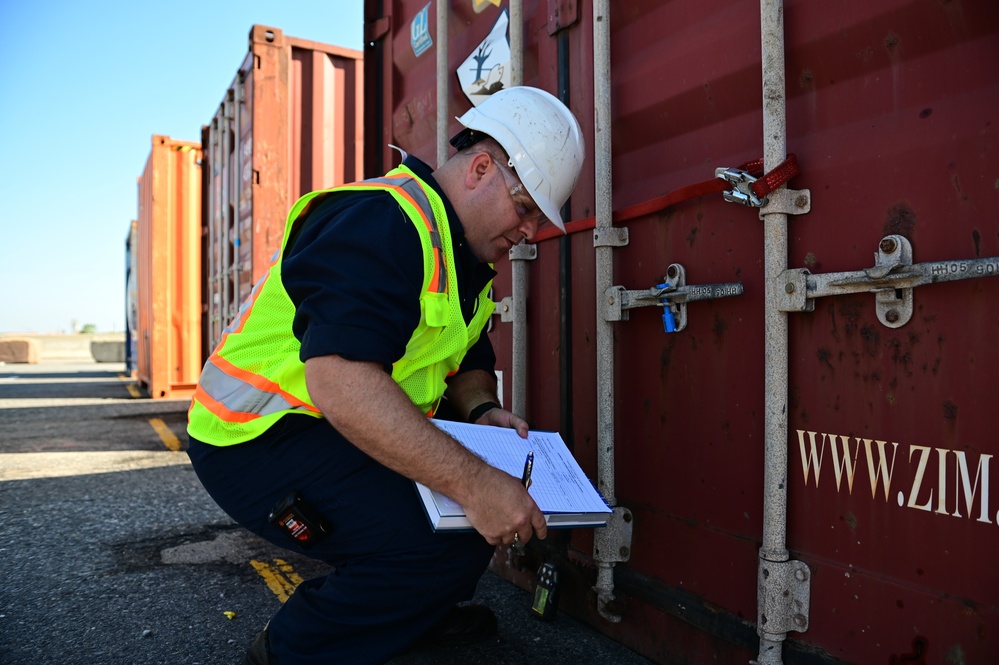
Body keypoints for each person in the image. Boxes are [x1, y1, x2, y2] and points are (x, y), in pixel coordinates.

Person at [186, 86, 585, 664]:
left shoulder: (463, 254)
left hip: (326, 422)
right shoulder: (382, 223)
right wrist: (475, 483)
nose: (529, 233)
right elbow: (340, 379)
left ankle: (399, 616)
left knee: (467, 522)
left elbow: (469, 352)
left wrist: (479, 409)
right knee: (437, 539)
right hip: (257, 436)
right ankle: (291, 651)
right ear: (480, 169)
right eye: (526, 210)